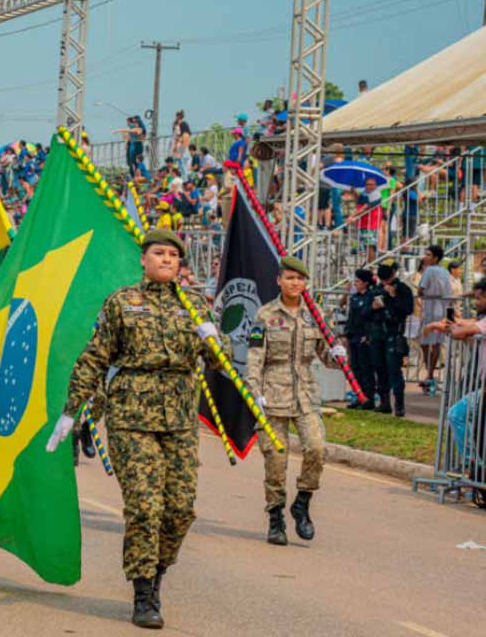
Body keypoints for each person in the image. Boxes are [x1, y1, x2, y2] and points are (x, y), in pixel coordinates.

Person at [46, 229, 230, 629]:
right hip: (131, 417)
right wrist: (71, 409)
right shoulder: (122, 303)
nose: (166, 259)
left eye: (173, 255)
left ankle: (157, 572)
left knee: (180, 510)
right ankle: (143, 591)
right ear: (143, 261)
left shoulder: (196, 305)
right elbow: (95, 358)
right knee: (145, 507)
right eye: (158, 253)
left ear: (181, 265)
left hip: (179, 418)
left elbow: (220, 363)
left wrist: (215, 341)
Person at [247, 257, 345, 546]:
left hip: (305, 393)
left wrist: (338, 355)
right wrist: (255, 393)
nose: (295, 284)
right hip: (272, 394)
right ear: (279, 281)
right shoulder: (265, 315)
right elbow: (254, 358)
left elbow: (325, 356)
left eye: (300, 279)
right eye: (289, 278)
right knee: (275, 462)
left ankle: (302, 501)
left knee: (316, 448)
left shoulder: (314, 315)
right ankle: (276, 516)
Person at [372, 261, 415, 415]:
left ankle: (399, 405)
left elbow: (407, 309)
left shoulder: (402, 289)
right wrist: (374, 307)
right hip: (378, 334)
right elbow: (369, 312)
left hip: (394, 333)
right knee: (379, 368)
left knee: (394, 370)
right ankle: (384, 402)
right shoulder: (377, 289)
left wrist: (392, 297)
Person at [418, 245, 451, 394]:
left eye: (429, 255)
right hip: (441, 309)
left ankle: (429, 373)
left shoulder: (429, 270)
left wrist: (420, 293)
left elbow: (421, 289)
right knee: (436, 343)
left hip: (431, 310)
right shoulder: (444, 271)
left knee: (425, 342)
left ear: (435, 258)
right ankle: (430, 373)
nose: (426, 257)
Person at [345, 269, 376, 409]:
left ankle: (368, 399)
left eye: (357, 281)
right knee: (355, 368)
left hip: (365, 337)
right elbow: (351, 318)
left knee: (366, 369)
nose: (355, 284)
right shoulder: (355, 298)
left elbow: (371, 318)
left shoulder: (371, 297)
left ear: (365, 283)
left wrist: (368, 335)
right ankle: (358, 396)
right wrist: (347, 333)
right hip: (354, 336)